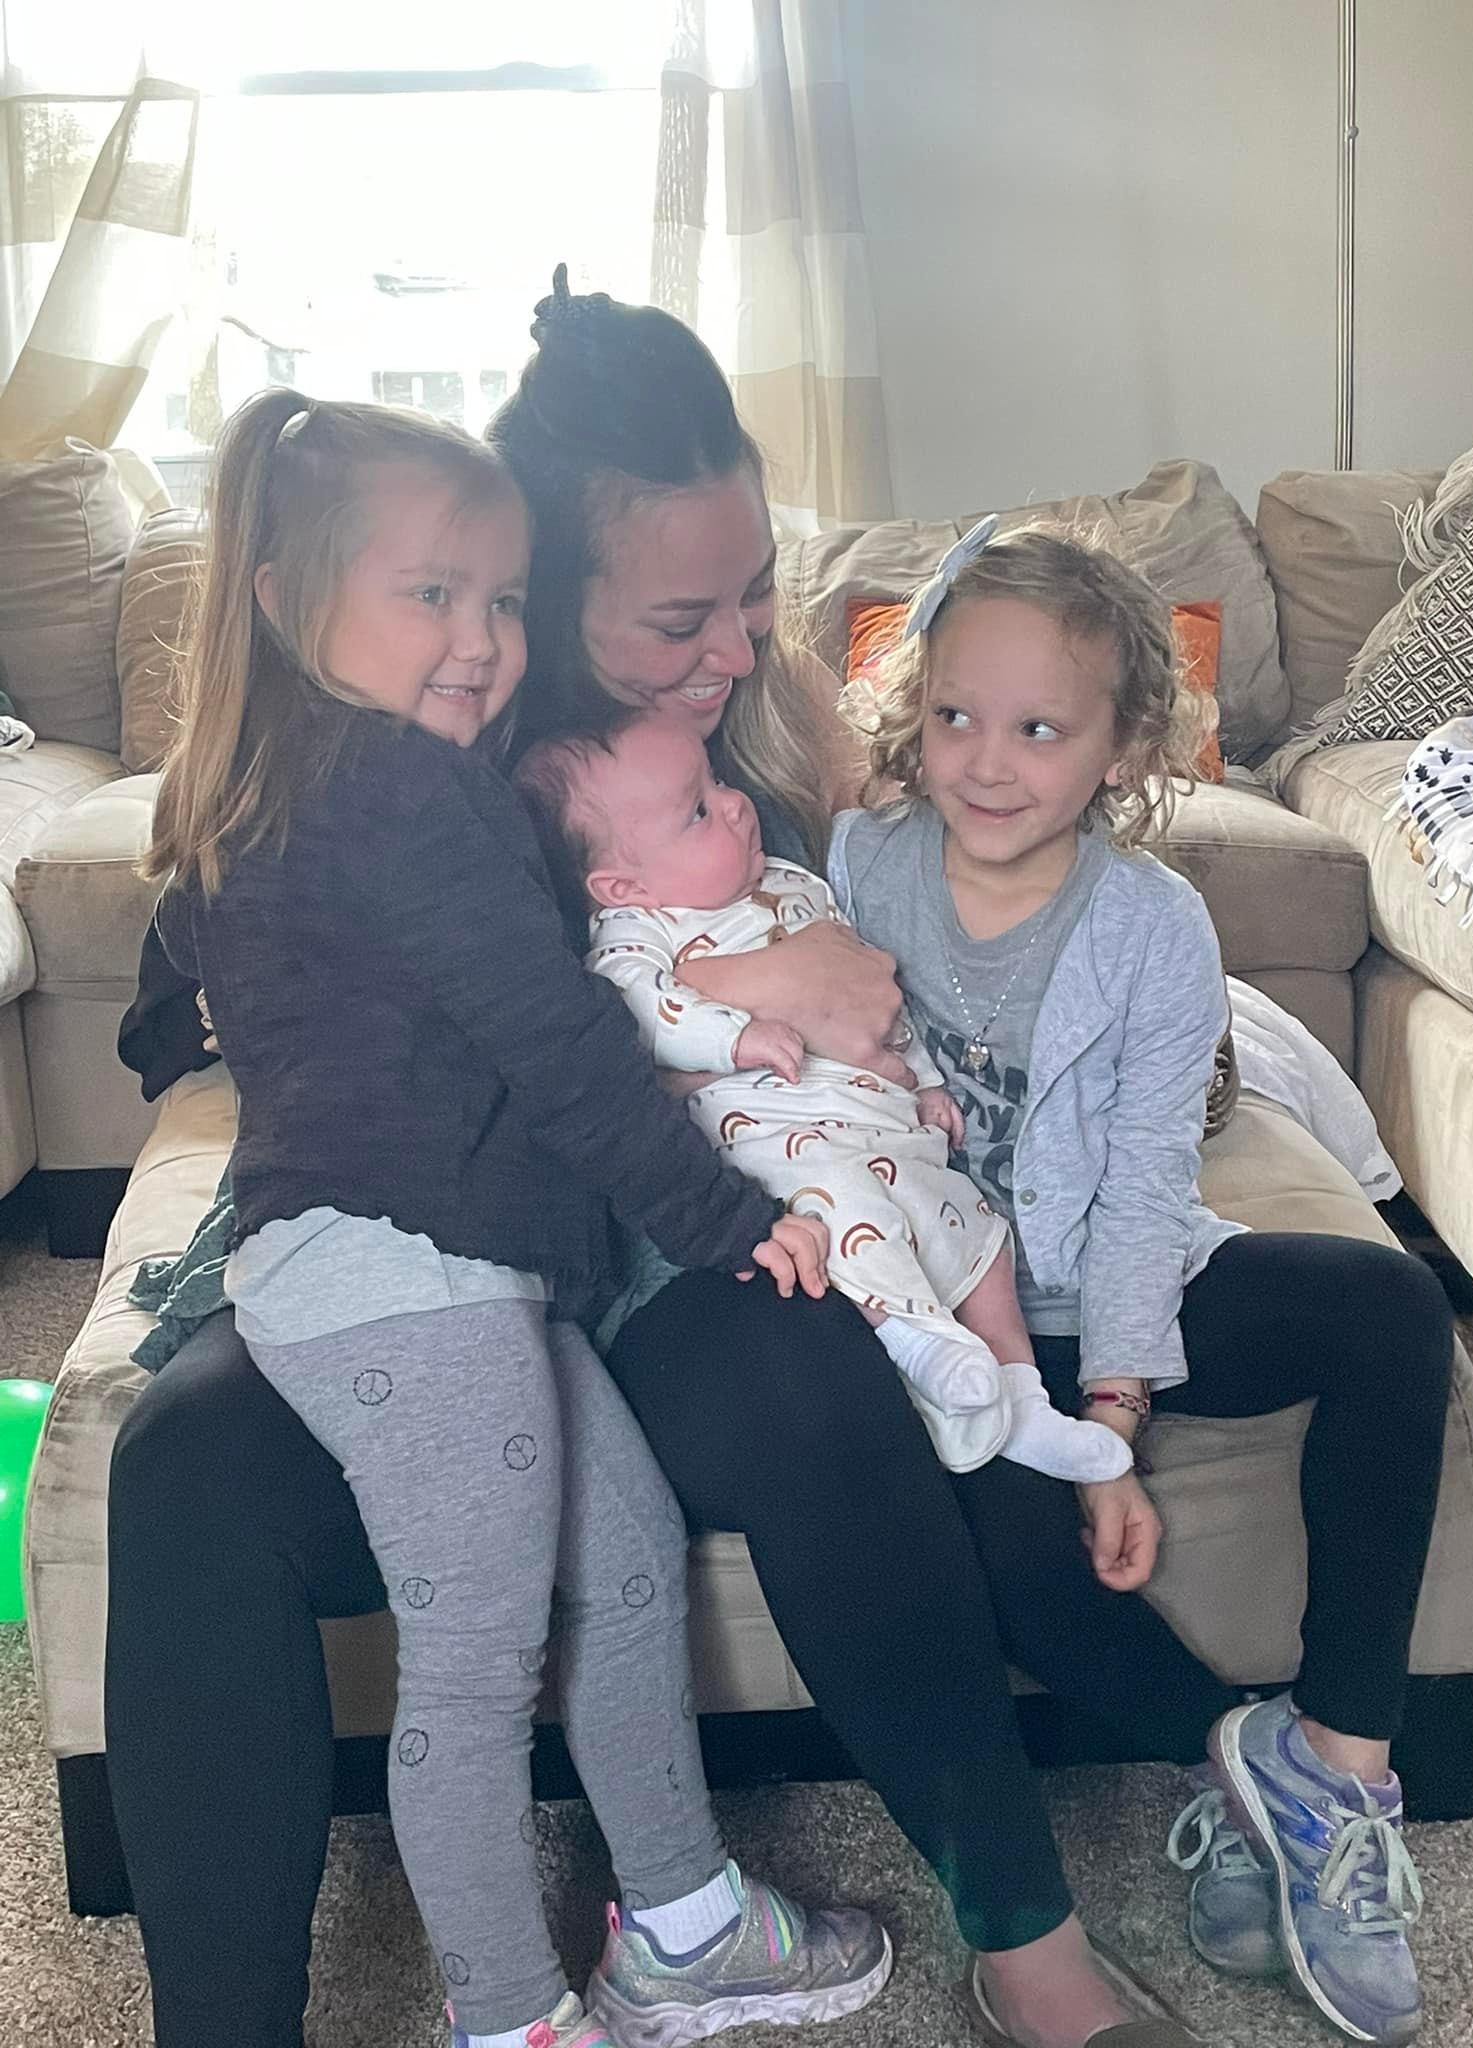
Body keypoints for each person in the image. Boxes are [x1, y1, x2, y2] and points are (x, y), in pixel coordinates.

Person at [108, 270, 1452, 2048]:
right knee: (182, 1465)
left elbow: (923, 974)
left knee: (841, 1363)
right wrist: (719, 994)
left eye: (756, 592)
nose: (742, 647)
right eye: (685, 615)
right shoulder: (419, 742)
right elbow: (227, 948)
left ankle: (1057, 1916)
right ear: (544, 594)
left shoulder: (756, 736)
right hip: (473, 1236)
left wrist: (847, 1017)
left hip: (732, 1218)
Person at [122, 385, 891, 2048]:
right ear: (284, 595)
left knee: (625, 1562)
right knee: (473, 1672)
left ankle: (682, 1922)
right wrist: (718, 1212)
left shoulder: (308, 772)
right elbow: (556, 1035)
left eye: (501, 598)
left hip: (457, 1264)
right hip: (401, 1273)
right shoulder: (405, 790)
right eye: (429, 594)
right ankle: (513, 2016)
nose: (477, 639)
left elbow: (218, 956)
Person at [834, 519, 1448, 2047]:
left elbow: (1141, 1189)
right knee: (1015, 1562)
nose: (987, 763)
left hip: (1117, 1283)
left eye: (1041, 730)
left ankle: (1344, 1760)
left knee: (1388, 1307)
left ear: (1121, 749)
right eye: (957, 715)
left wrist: (1114, 1411)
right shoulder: (856, 867)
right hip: (949, 1327)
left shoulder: (1154, 924)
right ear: (914, 710)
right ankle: (1248, 1773)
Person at [517, 705, 1130, 1483]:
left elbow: (878, 997)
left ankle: (1023, 1398)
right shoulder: (639, 932)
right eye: (697, 811)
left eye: (719, 781)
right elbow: (637, 1010)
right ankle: (923, 1350)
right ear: (620, 883)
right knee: (844, 1216)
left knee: (980, 1236)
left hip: (886, 1126)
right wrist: (735, 1039)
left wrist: (930, 1084)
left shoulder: (793, 884)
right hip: (786, 1145)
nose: (735, 805)